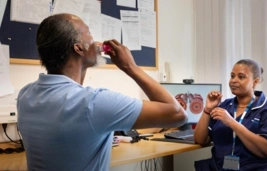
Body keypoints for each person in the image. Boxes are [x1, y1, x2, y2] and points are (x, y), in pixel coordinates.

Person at [17, 13, 187, 171]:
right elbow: (177, 114)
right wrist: (130, 67)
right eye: (89, 34)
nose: (95, 40)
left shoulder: (25, 96)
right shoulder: (93, 103)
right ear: (79, 48)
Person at [194, 59, 267, 171]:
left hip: (259, 168)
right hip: (221, 167)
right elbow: (200, 140)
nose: (234, 81)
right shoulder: (224, 106)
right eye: (232, 76)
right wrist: (207, 109)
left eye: (241, 77)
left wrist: (232, 122)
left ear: (255, 82)